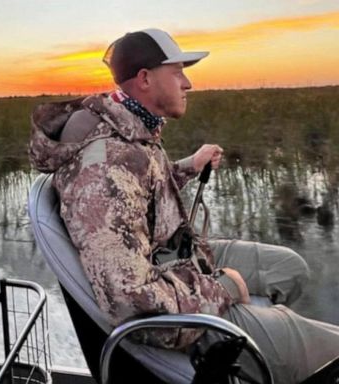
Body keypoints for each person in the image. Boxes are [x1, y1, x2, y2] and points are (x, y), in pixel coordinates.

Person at [29, 28, 339, 383]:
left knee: (290, 268)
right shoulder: (104, 167)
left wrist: (187, 167)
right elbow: (131, 301)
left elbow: (136, 196)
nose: (187, 83)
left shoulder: (126, 131)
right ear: (144, 79)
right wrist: (222, 289)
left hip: (178, 263)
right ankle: (272, 349)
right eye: (177, 72)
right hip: (172, 300)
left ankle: (274, 338)